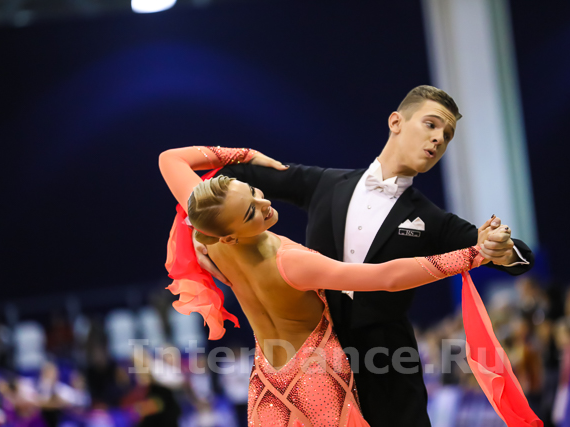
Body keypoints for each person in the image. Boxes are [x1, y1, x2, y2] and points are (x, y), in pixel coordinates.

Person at [199, 85, 535, 427]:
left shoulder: (431, 219)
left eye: (447, 135)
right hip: (317, 363)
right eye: (431, 124)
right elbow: (224, 182)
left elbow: (520, 257)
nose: (439, 139)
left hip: (390, 364)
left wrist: (501, 249)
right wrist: (198, 236)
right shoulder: (324, 184)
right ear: (396, 122)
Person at [159, 145, 510, 426]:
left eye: (253, 192)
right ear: (231, 236)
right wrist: (473, 255)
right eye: (251, 212)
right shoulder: (289, 262)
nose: (264, 204)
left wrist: (246, 155)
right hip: (317, 379)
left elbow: (169, 159)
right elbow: (387, 278)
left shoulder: (211, 227)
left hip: (266, 381)